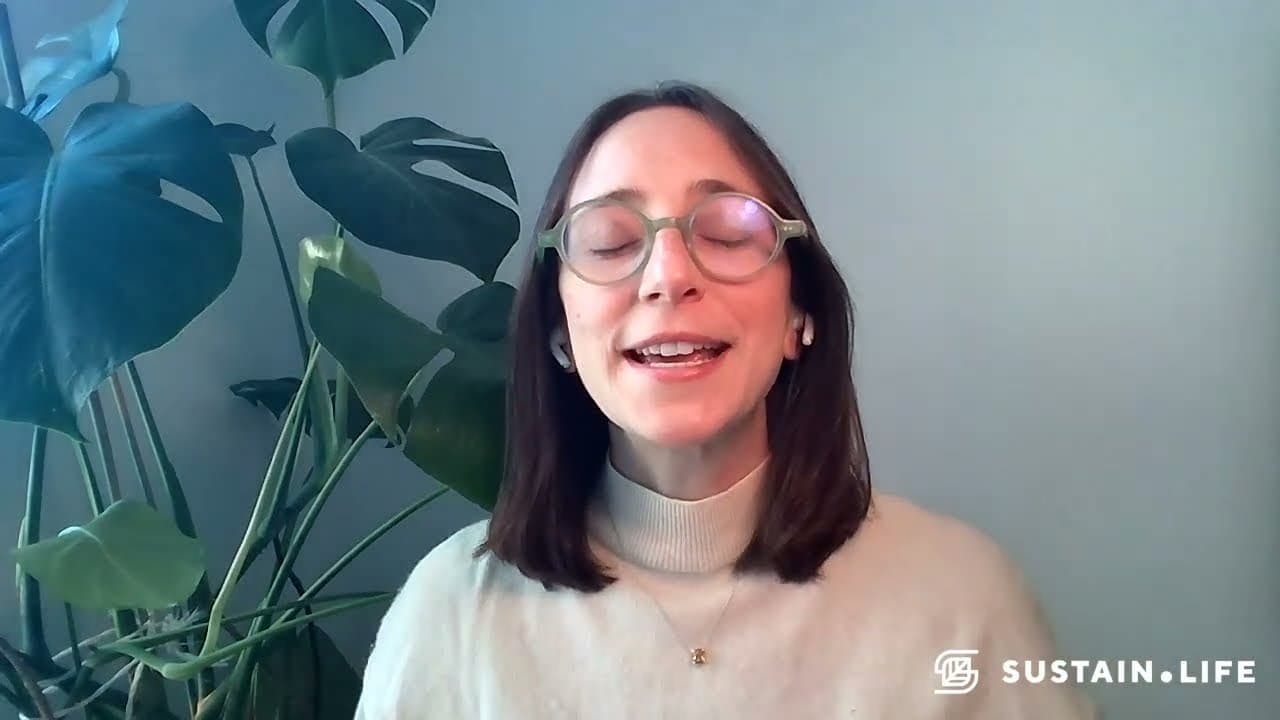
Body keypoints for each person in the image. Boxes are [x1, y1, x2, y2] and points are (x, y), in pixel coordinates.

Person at [353, 80, 1097, 719]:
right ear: (557, 330)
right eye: (611, 242)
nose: (668, 275)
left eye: (730, 230)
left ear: (799, 314)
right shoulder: (451, 613)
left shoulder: (960, 599)